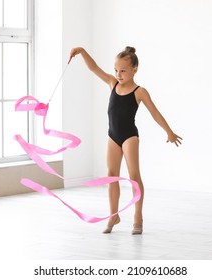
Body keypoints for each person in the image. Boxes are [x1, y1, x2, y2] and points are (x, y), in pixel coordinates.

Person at [70, 46, 182, 234]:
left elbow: (155, 113)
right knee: (111, 175)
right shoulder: (112, 84)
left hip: (130, 136)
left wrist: (169, 132)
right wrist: (81, 51)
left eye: (123, 70)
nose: (118, 74)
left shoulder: (140, 91)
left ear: (134, 70)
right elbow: (94, 68)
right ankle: (114, 215)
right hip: (112, 136)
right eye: (116, 70)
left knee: (134, 176)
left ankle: (138, 216)